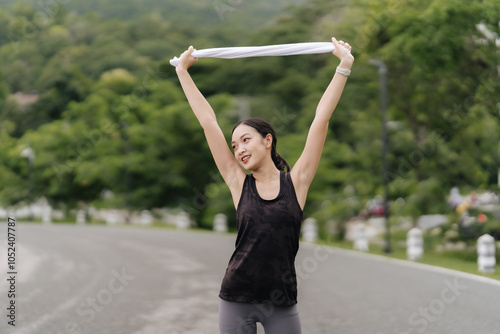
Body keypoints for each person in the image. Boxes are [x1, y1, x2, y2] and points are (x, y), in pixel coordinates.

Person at [175, 37, 354, 334]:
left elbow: (320, 121)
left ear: (267, 140)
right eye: (235, 145)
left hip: (280, 303)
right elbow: (208, 122)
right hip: (236, 298)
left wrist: (343, 67)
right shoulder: (237, 183)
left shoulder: (296, 183)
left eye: (246, 140)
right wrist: (183, 71)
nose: (239, 149)